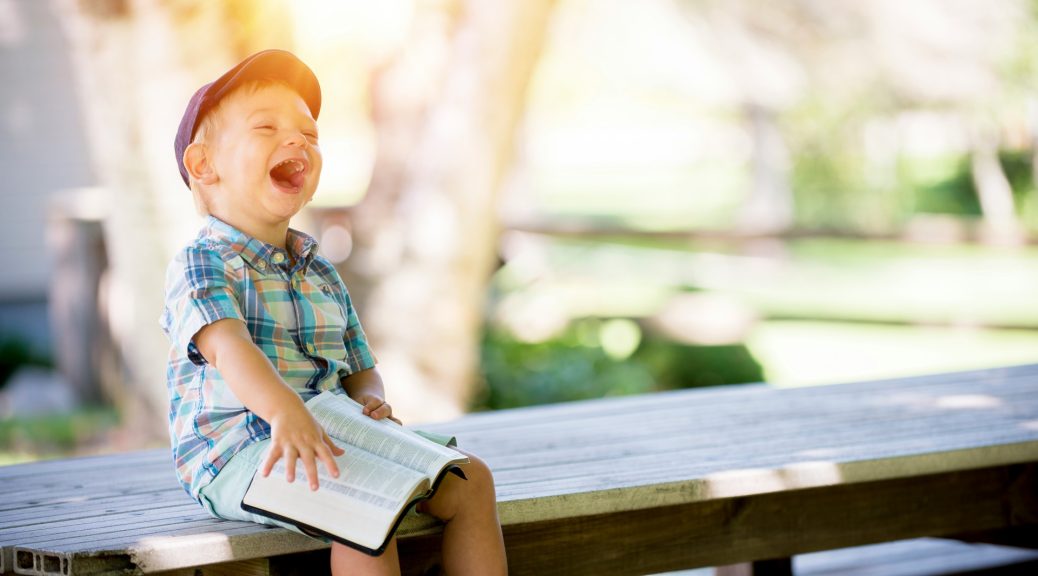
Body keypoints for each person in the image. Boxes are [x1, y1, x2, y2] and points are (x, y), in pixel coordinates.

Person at [161, 49, 507, 576]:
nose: (298, 139)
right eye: (266, 127)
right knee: (366, 507)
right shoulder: (202, 263)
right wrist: (284, 411)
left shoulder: (317, 267)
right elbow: (230, 349)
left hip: (331, 429)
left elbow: (358, 363)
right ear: (204, 164)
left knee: (470, 480)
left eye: (309, 132)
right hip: (238, 452)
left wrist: (371, 398)